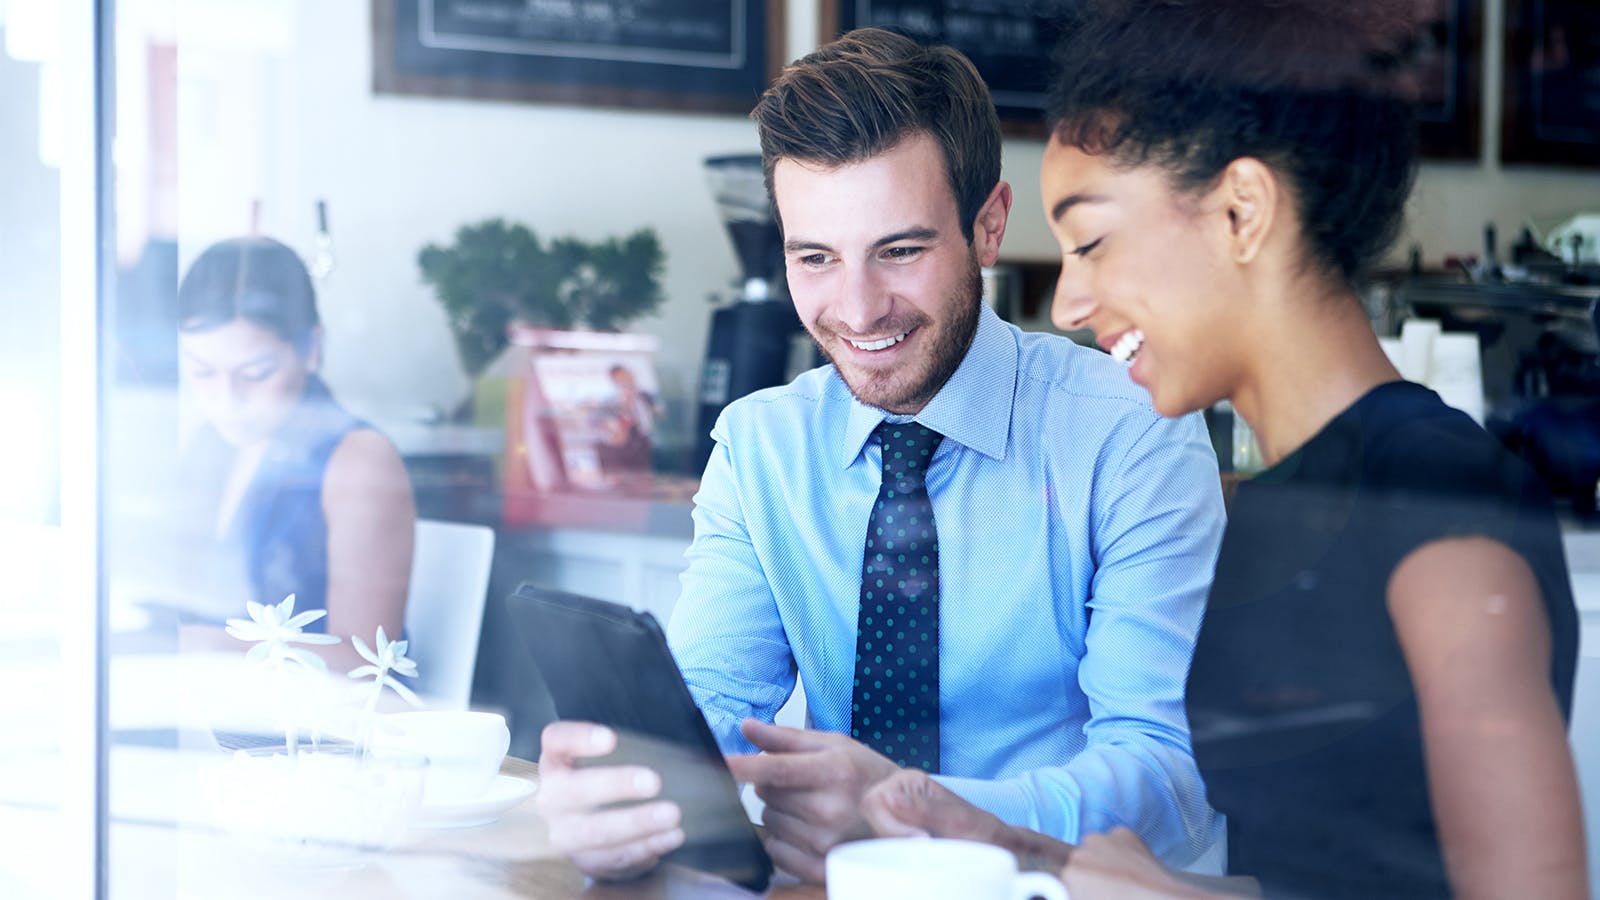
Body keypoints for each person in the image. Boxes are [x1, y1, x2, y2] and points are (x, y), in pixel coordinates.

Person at [860, 3, 1587, 898]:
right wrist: (1023, 848)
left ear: (1242, 211)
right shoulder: (1282, 500)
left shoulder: (1432, 498)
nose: (1068, 304)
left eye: (1090, 242)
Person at [535, 27, 1227, 882]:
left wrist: (920, 812)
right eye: (815, 258)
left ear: (988, 226)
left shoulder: (1133, 432)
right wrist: (626, 786)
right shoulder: (761, 449)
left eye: (900, 250)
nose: (858, 310)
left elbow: (1165, 772)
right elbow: (708, 710)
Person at [168, 236, 415, 671]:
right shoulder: (210, 445)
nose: (227, 399)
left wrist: (194, 647)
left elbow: (365, 667)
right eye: (202, 372)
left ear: (311, 349)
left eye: (256, 373)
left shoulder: (359, 461)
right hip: (218, 710)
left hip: (321, 732)